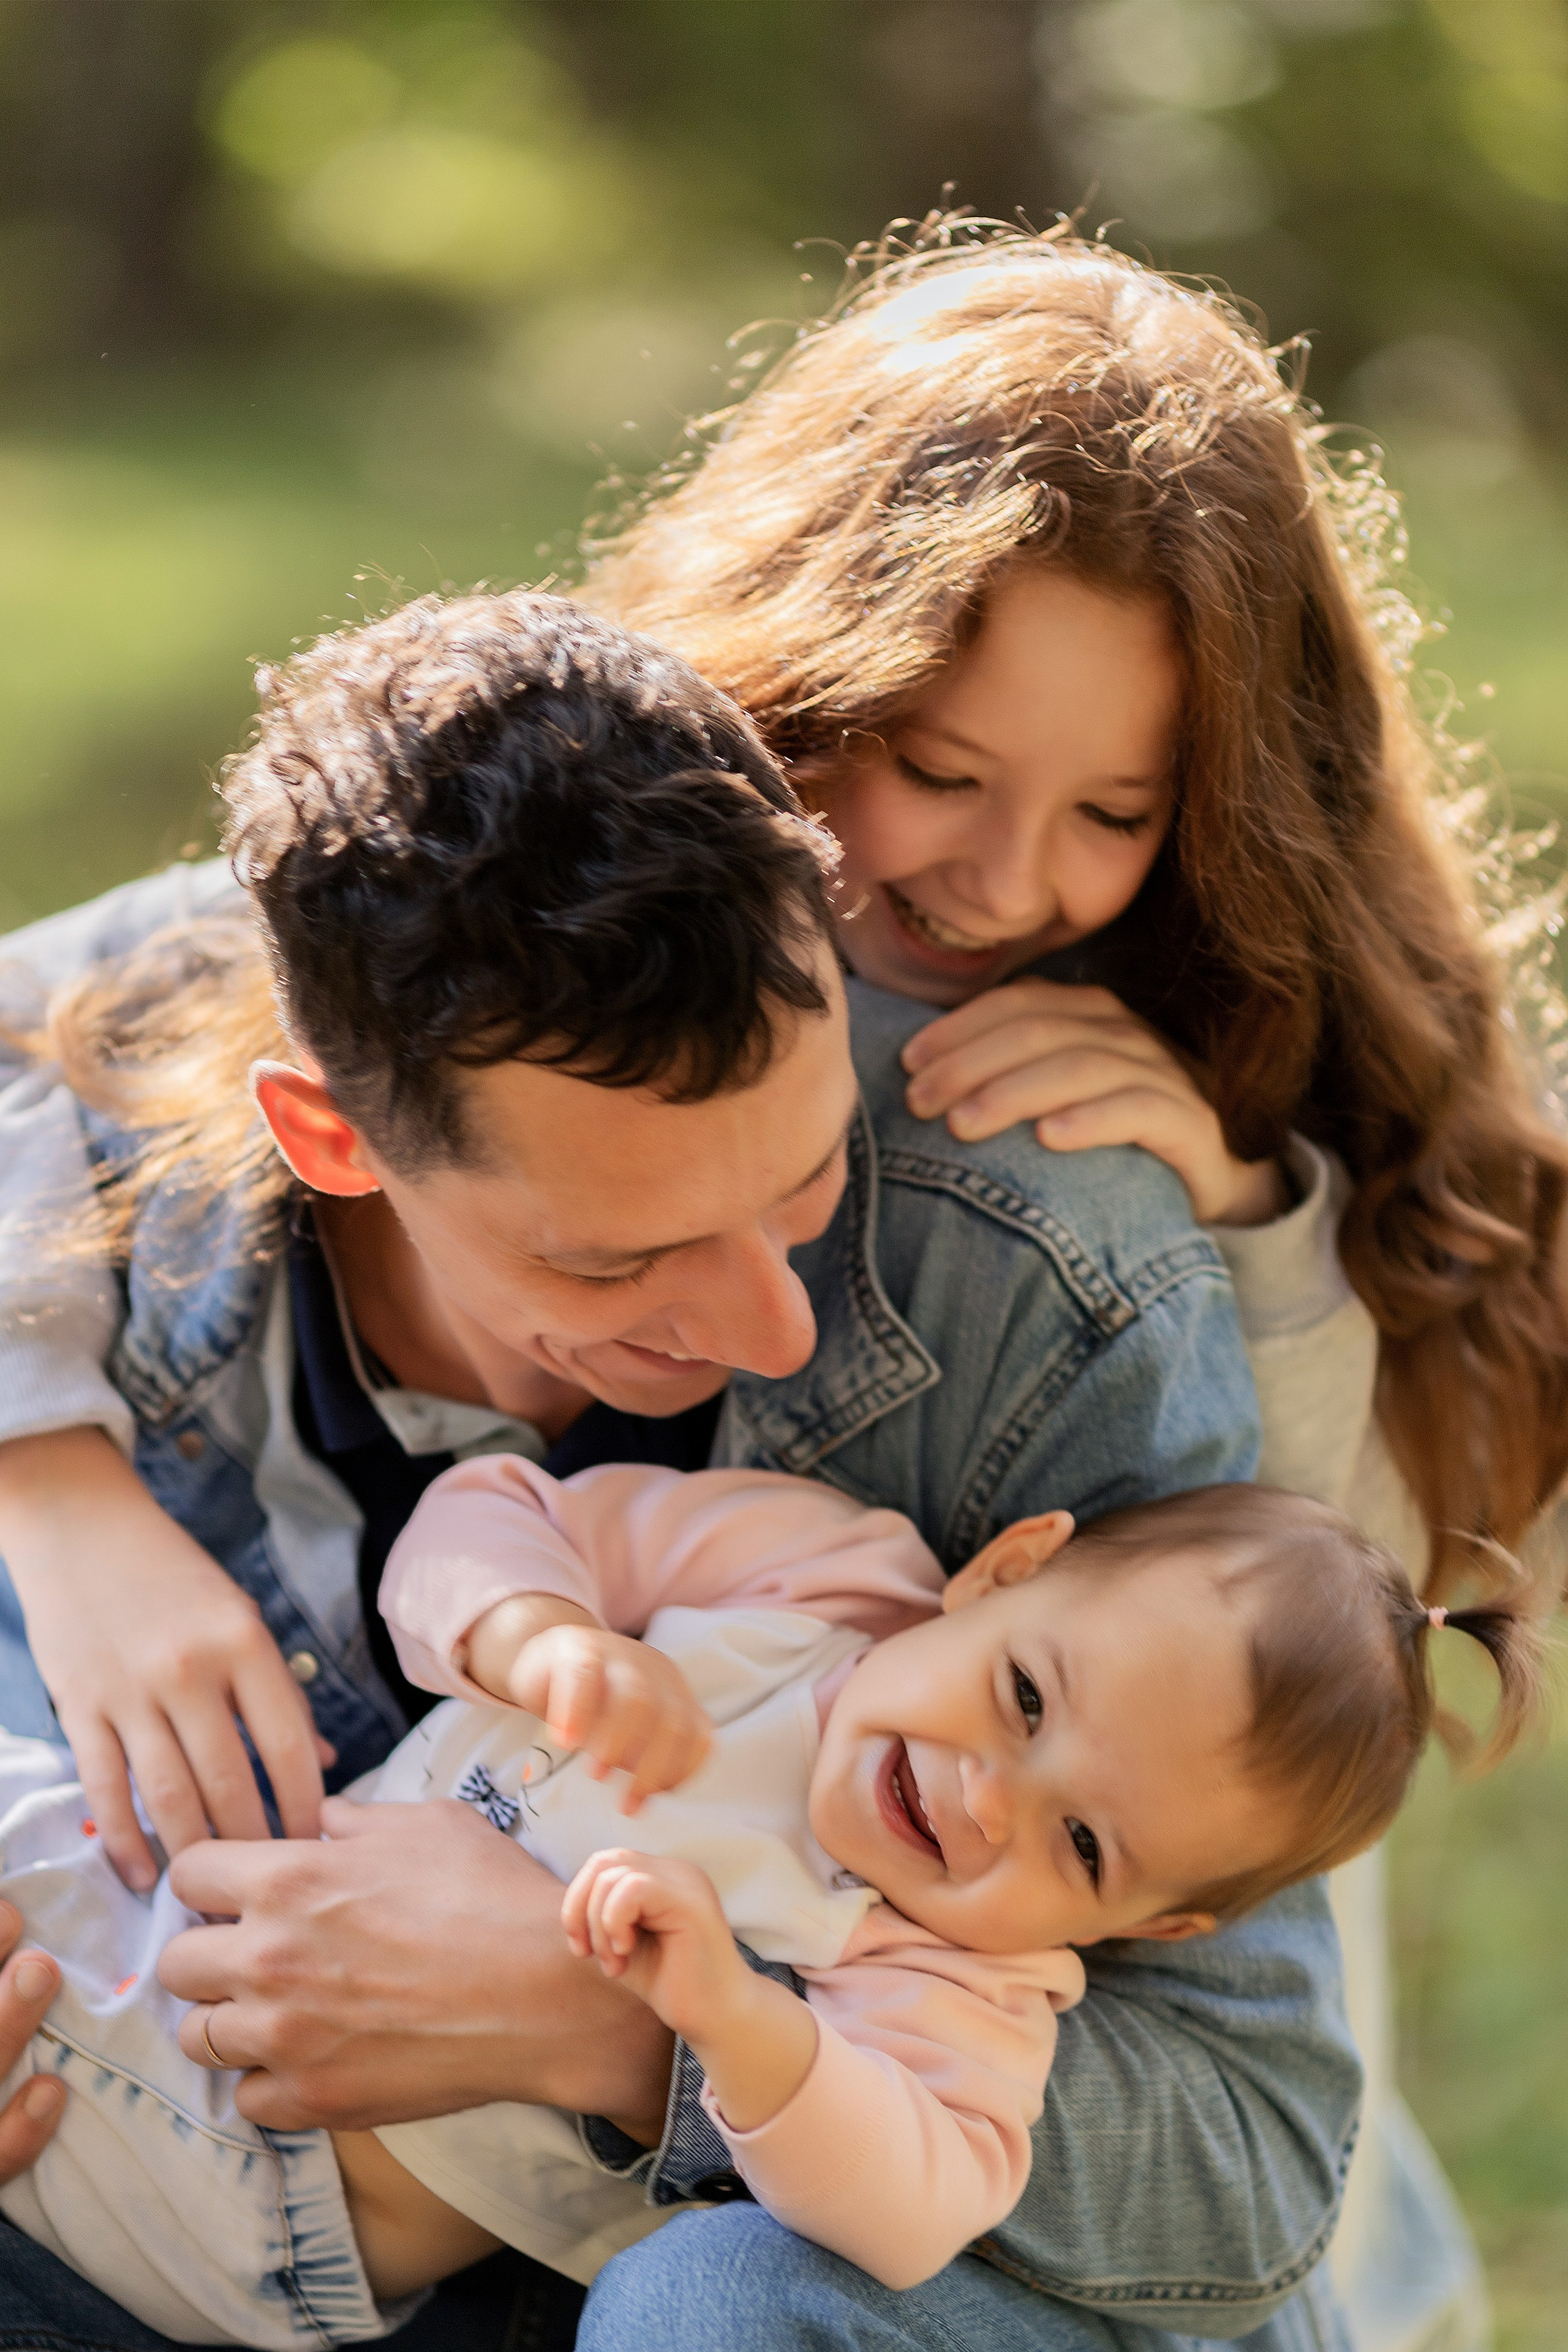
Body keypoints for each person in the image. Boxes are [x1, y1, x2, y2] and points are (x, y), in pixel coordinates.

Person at [0, 584, 1273, 2346]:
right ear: (334, 1135)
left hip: (733, 2256)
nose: (767, 1328)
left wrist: (633, 2029)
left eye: (805, 1177)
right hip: (178, 2140)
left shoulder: (1044, 1274)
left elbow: (1256, 2150)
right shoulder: (309, 978)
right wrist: (55, 1497)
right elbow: (27, 1009)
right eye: (615, 1261)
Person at [582, 214, 1568, 2352]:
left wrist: (1245, 1213)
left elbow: (1327, 1590)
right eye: (937, 767)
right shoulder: (610, 898)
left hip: (1099, 2208)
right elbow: (121, 1002)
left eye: (1116, 809)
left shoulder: (1168, 1136)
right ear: (788, 651)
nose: (1008, 880)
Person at [2, 1459, 1543, 2346]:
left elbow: (918, 2199)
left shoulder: (957, 1988)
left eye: (1080, 1846)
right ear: (1000, 1573)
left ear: (1149, 1929)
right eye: (1020, 1696)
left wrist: (741, 2028)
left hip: (256, 2179)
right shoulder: (809, 1582)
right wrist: (537, 1635)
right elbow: (490, 1511)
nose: (986, 1797)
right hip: (180, 1910)